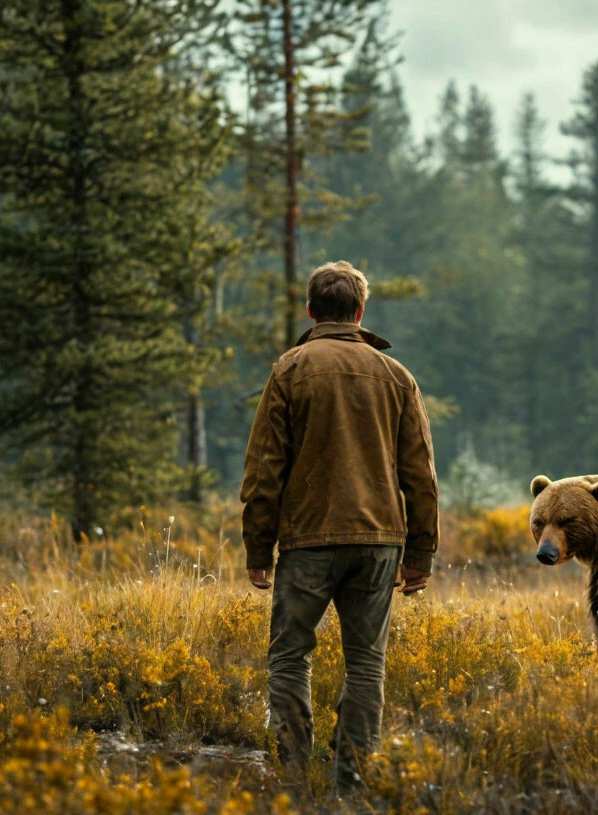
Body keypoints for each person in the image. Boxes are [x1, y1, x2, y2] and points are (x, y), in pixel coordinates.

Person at [240, 260, 439, 793]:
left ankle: (291, 775)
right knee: (367, 663)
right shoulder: (397, 377)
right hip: (379, 544)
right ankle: (352, 783)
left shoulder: (290, 369)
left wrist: (258, 548)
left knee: (289, 656)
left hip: (307, 540)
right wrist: (420, 556)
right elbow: (421, 475)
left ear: (311, 310)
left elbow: (264, 470)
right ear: (360, 311)